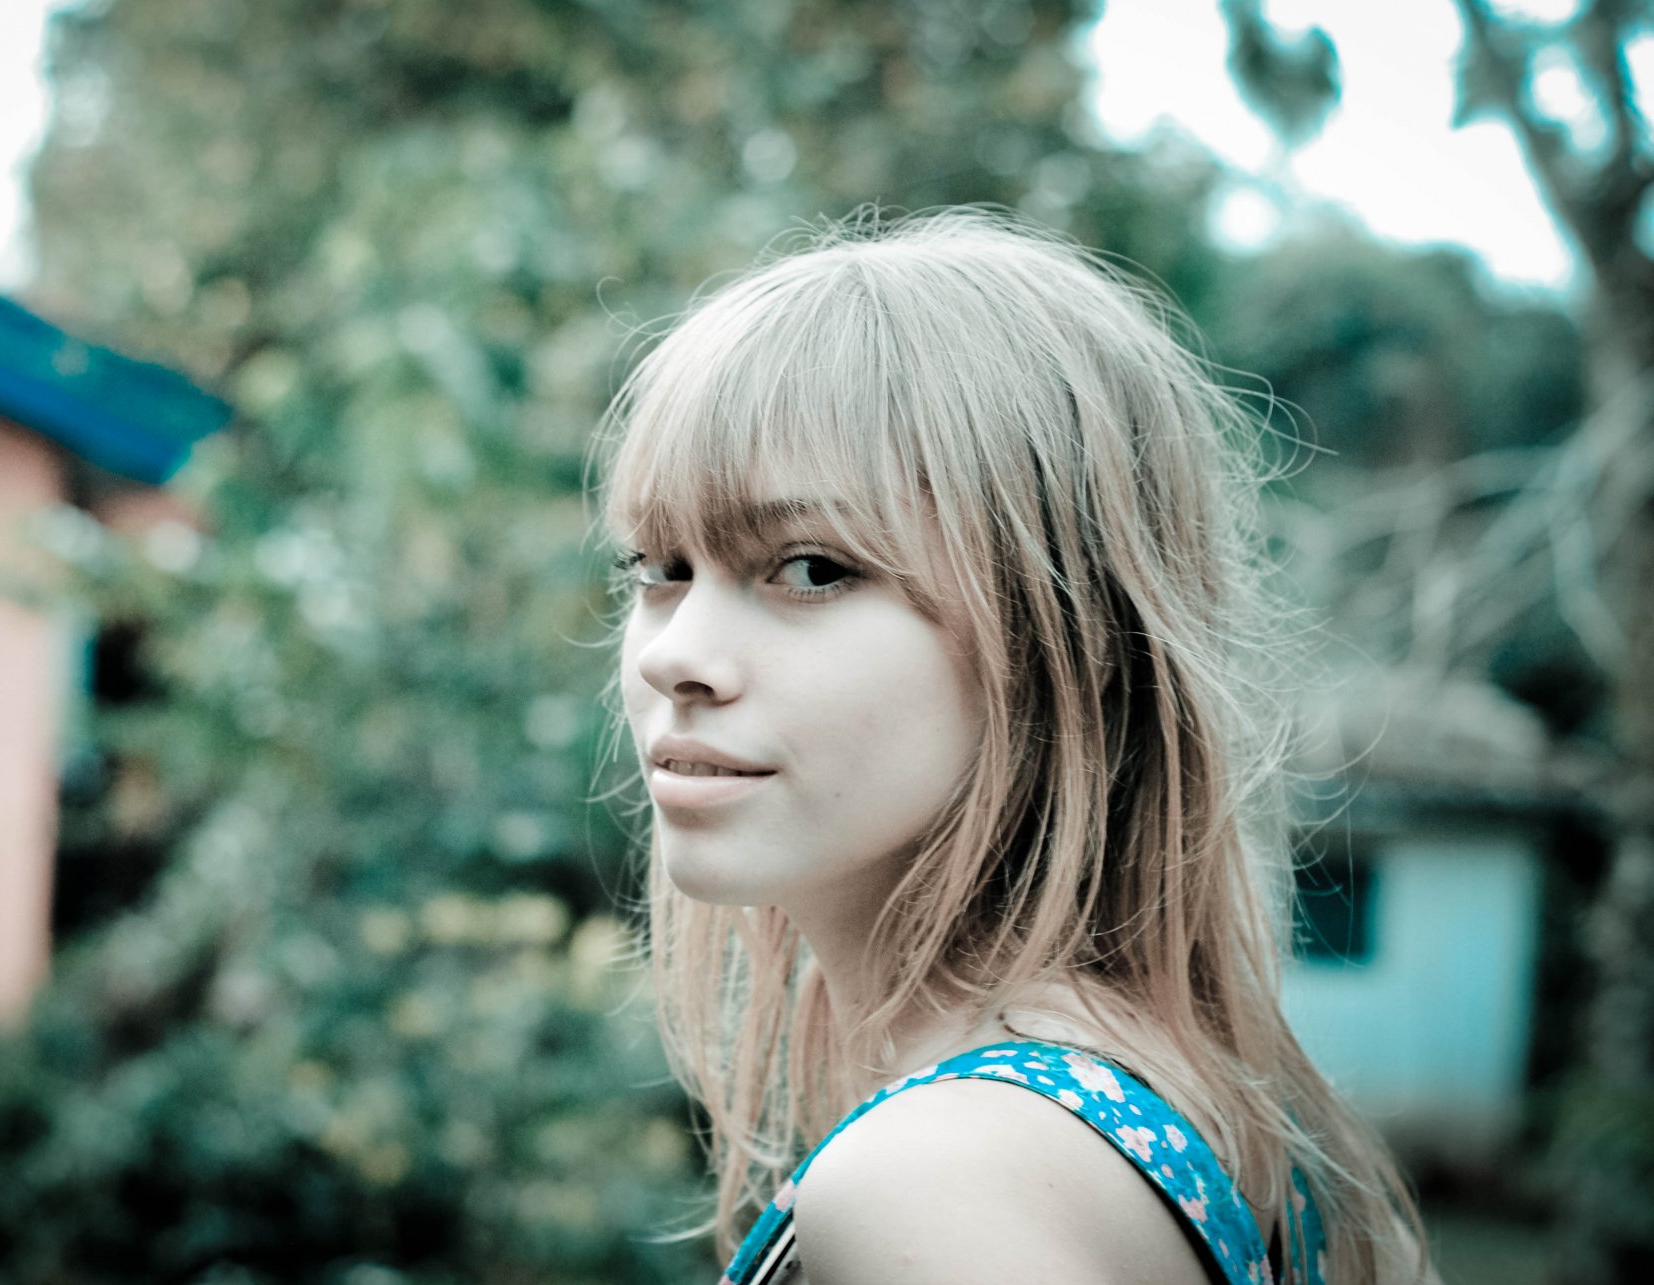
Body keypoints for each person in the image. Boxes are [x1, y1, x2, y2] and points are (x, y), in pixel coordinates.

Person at [594, 209, 1432, 1285]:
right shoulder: (1229, 1111)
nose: (679, 655)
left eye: (810, 568)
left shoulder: (941, 1183)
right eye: (660, 566)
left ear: (1062, 636)